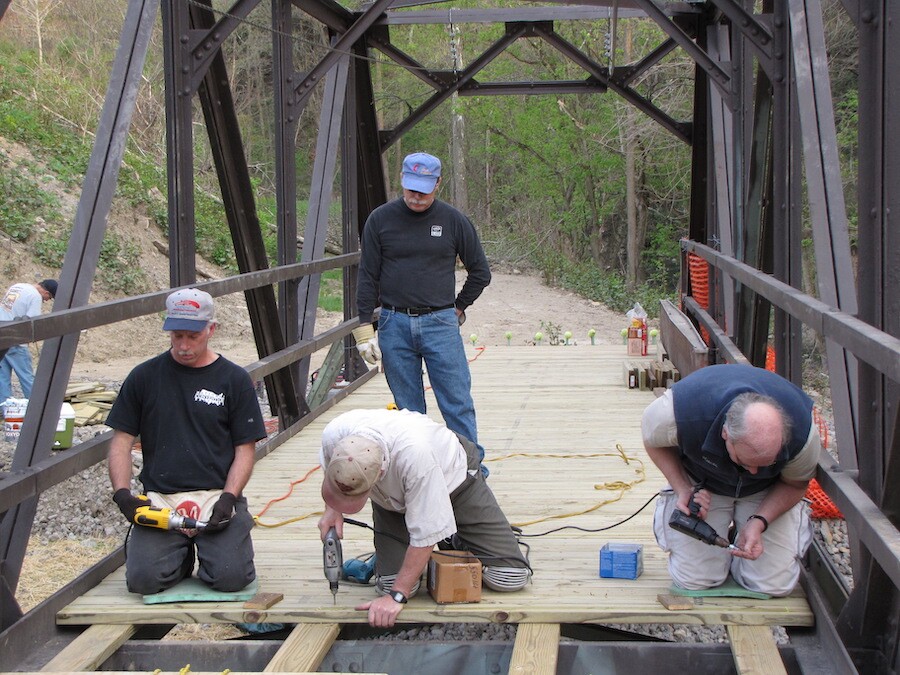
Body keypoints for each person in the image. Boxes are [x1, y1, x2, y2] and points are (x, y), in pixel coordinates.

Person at [106, 288, 266, 595]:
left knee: (231, 578)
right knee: (143, 581)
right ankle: (177, 560)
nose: (184, 346)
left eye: (193, 336)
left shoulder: (233, 380)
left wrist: (230, 497)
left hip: (216, 495)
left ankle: (215, 554)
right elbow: (121, 441)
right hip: (161, 498)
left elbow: (245, 449)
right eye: (177, 336)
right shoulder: (144, 377)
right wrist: (123, 494)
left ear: (211, 329)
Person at [317, 408, 531, 628]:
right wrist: (332, 510)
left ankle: (452, 536)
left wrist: (396, 598)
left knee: (509, 577)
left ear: (379, 473)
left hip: (453, 478)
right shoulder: (335, 434)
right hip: (391, 498)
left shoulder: (417, 458)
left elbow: (426, 535)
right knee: (390, 584)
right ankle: (413, 547)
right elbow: (332, 469)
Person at [351, 152, 491, 472]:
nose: (416, 196)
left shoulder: (454, 221)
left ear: (438, 184)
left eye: (424, 190)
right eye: (411, 188)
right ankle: (421, 471)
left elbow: (480, 272)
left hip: (440, 322)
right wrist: (363, 330)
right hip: (393, 323)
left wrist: (458, 307)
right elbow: (368, 276)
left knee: (456, 403)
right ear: (402, 180)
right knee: (409, 412)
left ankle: (469, 472)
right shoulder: (380, 220)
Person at [641, 363, 821, 597]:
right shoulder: (678, 413)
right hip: (703, 483)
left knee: (772, 586)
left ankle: (738, 538)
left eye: (764, 463)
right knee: (694, 580)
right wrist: (684, 488)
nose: (753, 471)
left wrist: (759, 521)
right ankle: (722, 545)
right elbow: (651, 441)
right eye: (745, 462)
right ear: (726, 433)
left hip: (768, 489)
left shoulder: (803, 435)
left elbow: (795, 484)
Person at [0, 279, 58, 403]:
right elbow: (33, 321)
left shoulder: (17, 286)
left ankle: (3, 408)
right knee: (26, 377)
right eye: (49, 297)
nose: (47, 300)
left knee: (2, 377)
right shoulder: (35, 296)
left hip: (1, 334)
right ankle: (36, 407)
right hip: (16, 341)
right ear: (46, 292)